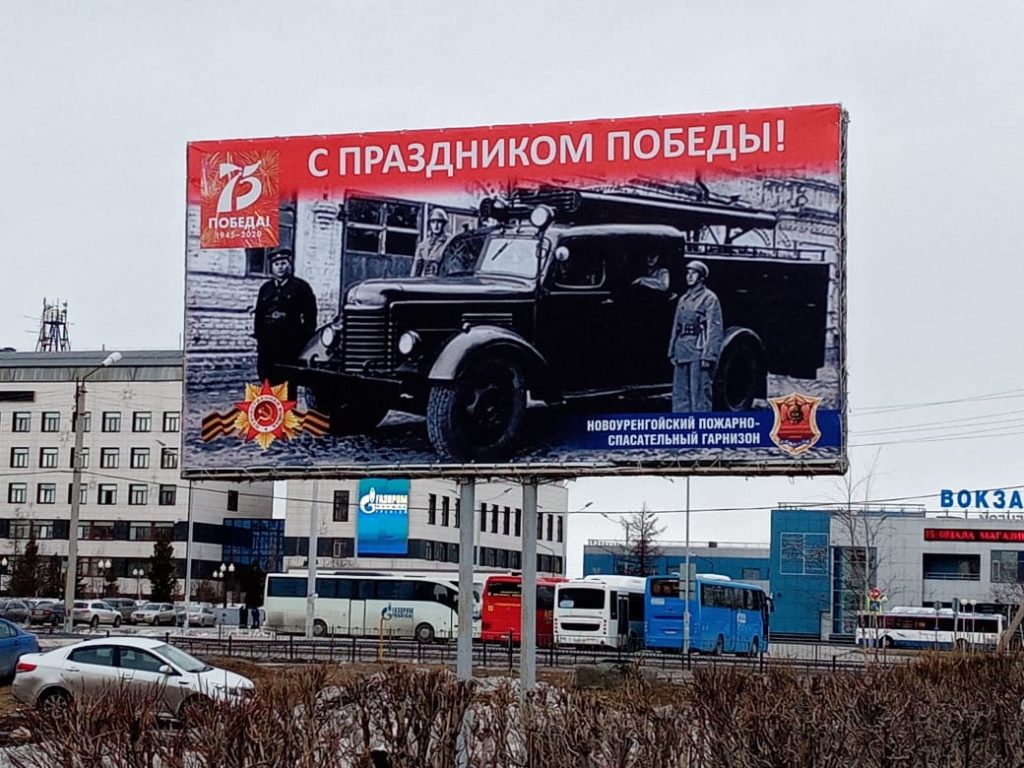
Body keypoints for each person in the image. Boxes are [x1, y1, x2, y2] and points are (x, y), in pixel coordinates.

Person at [253, 247, 317, 400]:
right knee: (267, 379)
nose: (280, 267)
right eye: (276, 264)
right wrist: (260, 337)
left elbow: (311, 314)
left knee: (288, 383)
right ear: (272, 267)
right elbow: (259, 314)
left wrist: (304, 337)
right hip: (268, 344)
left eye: (283, 263)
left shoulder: (300, 287)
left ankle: (289, 418)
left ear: (289, 265)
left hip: (289, 345)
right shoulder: (266, 289)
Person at [668, 260, 723, 412]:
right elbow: (676, 327)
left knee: (699, 396)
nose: (689, 276)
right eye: (688, 273)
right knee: (680, 396)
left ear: (701, 277)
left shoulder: (709, 299)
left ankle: (700, 430)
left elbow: (714, 328)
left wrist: (709, 356)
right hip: (682, 350)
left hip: (698, 351)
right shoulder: (683, 299)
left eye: (694, 273)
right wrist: (671, 351)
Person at [411, 208, 451, 277]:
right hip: (424, 281)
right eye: (433, 222)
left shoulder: (449, 242)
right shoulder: (422, 246)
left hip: (441, 280)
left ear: (443, 224)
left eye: (439, 222)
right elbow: (416, 269)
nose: (436, 226)